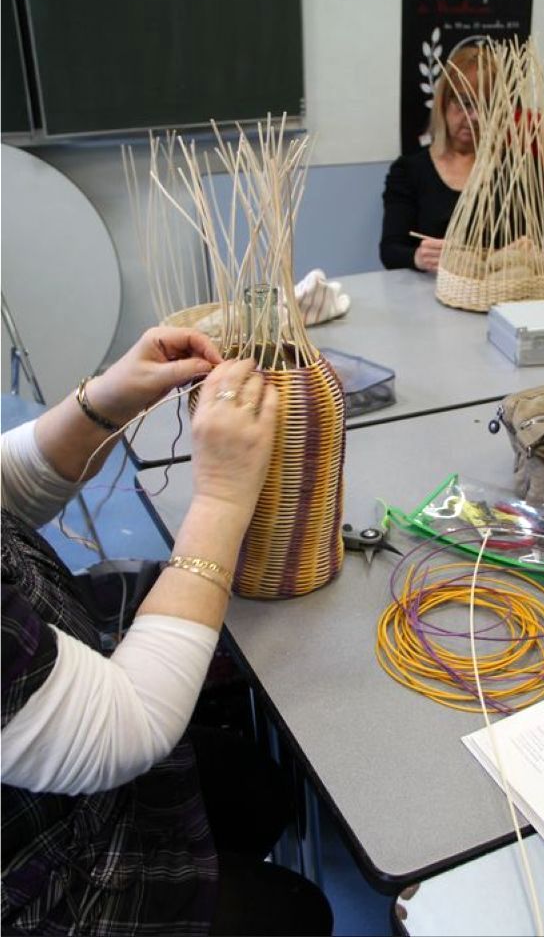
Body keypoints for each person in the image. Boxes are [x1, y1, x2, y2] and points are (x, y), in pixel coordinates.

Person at [1, 326, 333, 937]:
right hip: (34, 880)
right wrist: (223, 498)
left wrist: (103, 402)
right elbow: (119, 734)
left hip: (60, 758)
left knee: (257, 788)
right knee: (296, 913)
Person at [380, 45, 489, 272]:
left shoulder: (515, 170)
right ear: (443, 103)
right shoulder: (408, 172)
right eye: (465, 102)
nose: (475, 116)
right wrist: (418, 257)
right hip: (428, 289)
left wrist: (522, 250)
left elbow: (540, 245)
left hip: (498, 289)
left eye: (486, 105)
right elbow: (390, 251)